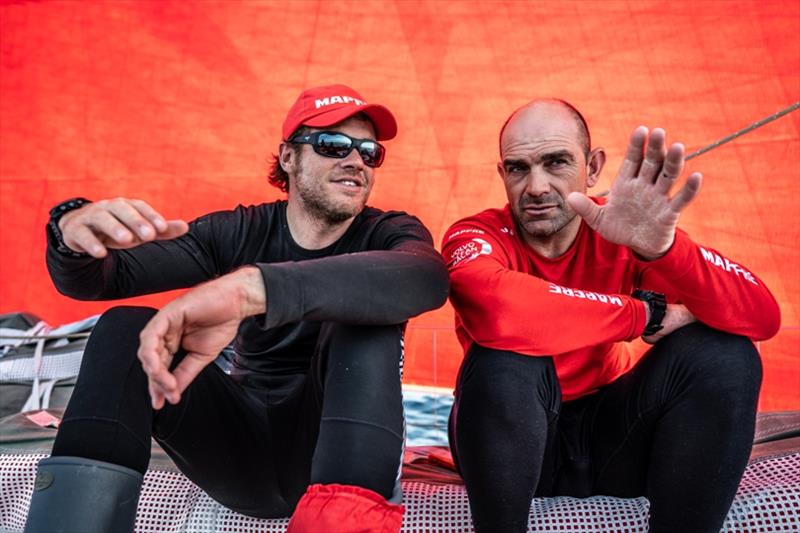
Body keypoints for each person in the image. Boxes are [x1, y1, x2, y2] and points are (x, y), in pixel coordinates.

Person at [25, 84, 449, 533]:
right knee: (126, 328)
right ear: (288, 157)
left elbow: (425, 277)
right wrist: (69, 228)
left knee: (367, 319)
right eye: (333, 144)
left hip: (339, 448)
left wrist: (258, 288)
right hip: (238, 451)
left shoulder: (389, 232)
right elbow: (100, 278)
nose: (355, 161)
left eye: (369, 151)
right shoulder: (241, 230)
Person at [441, 99, 780, 533]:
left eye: (556, 162)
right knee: (506, 355)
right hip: (509, 443)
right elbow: (500, 311)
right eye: (518, 168)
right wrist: (645, 315)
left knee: (724, 354)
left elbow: (762, 318)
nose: (537, 186)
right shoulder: (476, 233)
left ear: (593, 166)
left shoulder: (623, 227)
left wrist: (665, 251)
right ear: (502, 175)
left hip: (611, 438)